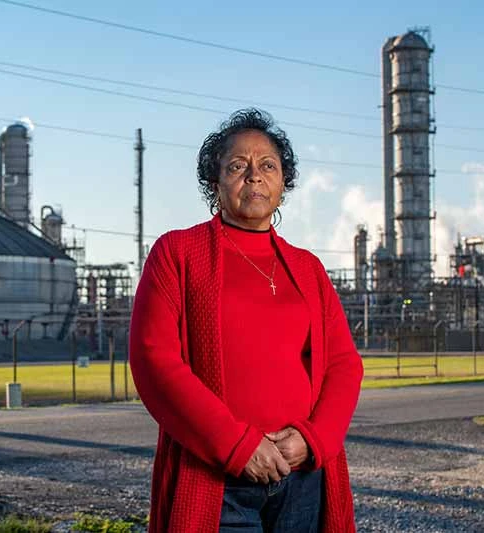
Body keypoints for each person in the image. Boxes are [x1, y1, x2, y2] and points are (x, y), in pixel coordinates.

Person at [129, 108, 363, 533]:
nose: (254, 175)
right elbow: (154, 361)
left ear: (283, 183)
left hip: (303, 475)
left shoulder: (307, 268)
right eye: (238, 166)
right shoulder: (178, 254)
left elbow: (344, 364)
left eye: (267, 165)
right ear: (214, 183)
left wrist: (312, 441)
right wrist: (238, 446)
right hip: (218, 482)